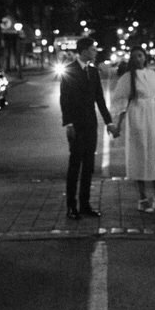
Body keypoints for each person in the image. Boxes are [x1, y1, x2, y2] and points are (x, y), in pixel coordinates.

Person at [60, 37, 114, 220]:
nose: (95, 52)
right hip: (76, 125)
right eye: (92, 49)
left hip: (91, 125)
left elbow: (99, 98)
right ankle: (71, 206)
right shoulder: (70, 70)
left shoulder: (93, 71)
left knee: (89, 166)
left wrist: (109, 122)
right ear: (83, 51)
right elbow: (64, 100)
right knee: (75, 166)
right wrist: (68, 123)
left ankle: (85, 205)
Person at [110, 46, 155, 213]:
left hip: (151, 115)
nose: (138, 59)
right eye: (134, 56)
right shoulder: (128, 78)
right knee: (140, 154)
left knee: (154, 154)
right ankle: (142, 198)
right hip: (137, 116)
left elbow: (153, 94)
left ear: (145, 57)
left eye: (140, 55)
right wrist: (118, 124)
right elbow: (120, 101)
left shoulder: (151, 74)